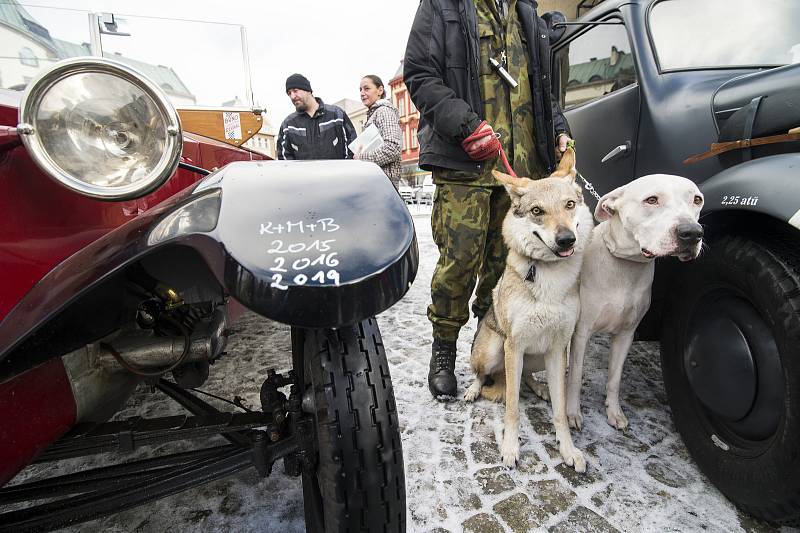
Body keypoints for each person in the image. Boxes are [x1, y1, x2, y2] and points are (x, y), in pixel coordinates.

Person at [403, 0, 573, 399]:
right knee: (459, 261)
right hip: (465, 162)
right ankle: (443, 348)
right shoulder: (443, 6)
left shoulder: (526, 14)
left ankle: (491, 349)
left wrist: (559, 130)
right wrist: (465, 125)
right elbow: (420, 74)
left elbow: (544, 90)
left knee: (505, 269)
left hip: (519, 171)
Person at [277, 73, 357, 160]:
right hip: (304, 174)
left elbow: (353, 146)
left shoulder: (336, 115)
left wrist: (344, 171)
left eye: (295, 91)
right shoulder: (288, 125)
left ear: (308, 91)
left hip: (339, 173)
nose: (292, 96)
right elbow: (284, 160)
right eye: (289, 93)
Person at [353, 75, 403, 189]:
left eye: (366, 88)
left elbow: (393, 148)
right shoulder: (374, 113)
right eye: (360, 89)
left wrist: (362, 158)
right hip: (379, 182)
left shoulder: (383, 111)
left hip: (385, 183)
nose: (362, 93)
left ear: (380, 90)